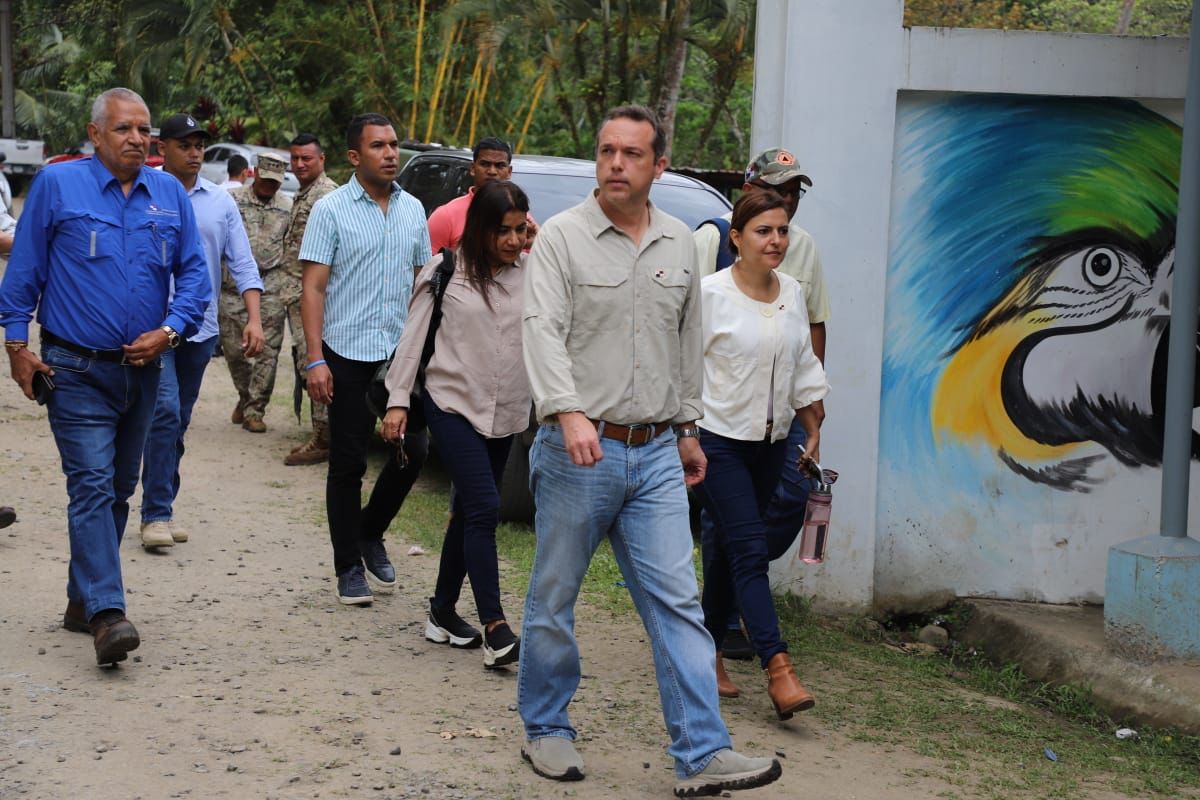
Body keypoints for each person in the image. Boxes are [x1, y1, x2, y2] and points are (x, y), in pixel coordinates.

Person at [518, 104, 782, 796]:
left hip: (659, 454)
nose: (615, 164)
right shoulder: (563, 240)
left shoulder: (677, 244)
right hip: (578, 452)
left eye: (632, 154)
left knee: (678, 604)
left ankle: (701, 752)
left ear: (658, 166)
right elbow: (541, 331)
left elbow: (685, 343)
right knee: (554, 596)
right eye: (607, 151)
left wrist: (689, 429)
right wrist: (568, 412)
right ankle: (547, 728)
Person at [0, 87, 209, 665]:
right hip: (72, 367)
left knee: (118, 490)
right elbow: (24, 271)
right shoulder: (57, 185)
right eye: (124, 129)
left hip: (142, 372)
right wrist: (17, 346)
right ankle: (108, 614)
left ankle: (79, 598)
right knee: (90, 485)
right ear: (96, 135)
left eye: (144, 130)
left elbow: (193, 275)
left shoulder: (168, 194)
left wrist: (169, 331)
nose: (138, 139)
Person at [381, 180, 530, 669]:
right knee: (485, 506)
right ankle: (496, 627)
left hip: (507, 412)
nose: (512, 240)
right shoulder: (447, 271)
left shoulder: (535, 274)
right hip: (452, 406)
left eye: (519, 229)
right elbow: (413, 338)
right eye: (501, 231)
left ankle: (442, 611)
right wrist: (398, 400)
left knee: (469, 511)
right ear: (481, 229)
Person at [693, 147, 832, 660]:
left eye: (794, 193)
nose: (786, 206)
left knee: (760, 524)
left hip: (777, 426)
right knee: (741, 540)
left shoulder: (796, 277)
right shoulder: (709, 257)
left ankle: (706, 642)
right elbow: (683, 349)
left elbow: (808, 337)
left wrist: (812, 414)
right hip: (719, 428)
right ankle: (773, 659)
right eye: (777, 189)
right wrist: (686, 430)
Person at [300, 113, 431, 605]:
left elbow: (423, 283)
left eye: (394, 144)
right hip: (345, 350)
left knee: (412, 452)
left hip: (399, 355)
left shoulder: (413, 210)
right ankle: (348, 567)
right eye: (379, 146)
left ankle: (370, 531)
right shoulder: (330, 210)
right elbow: (312, 287)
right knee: (348, 463)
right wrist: (315, 360)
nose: (391, 153)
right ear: (355, 156)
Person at [138, 113, 264, 550]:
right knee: (165, 412)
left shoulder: (219, 201)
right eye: (185, 145)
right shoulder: (142, 190)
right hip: (152, 326)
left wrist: (253, 318)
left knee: (177, 422)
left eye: (199, 146)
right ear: (163, 148)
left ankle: (161, 505)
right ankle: (155, 513)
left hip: (199, 327)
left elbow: (242, 262)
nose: (194, 153)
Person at [221, 154, 293, 432]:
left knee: (267, 352)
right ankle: (244, 396)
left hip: (271, 286)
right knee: (234, 351)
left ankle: (255, 409)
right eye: (265, 180)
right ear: (254, 174)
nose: (269, 186)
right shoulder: (232, 200)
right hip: (232, 287)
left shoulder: (288, 207)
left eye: (275, 183)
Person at [281, 133, 338, 466]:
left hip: (316, 297)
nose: (300, 165)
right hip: (296, 294)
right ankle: (323, 432)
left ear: (322, 159)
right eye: (295, 159)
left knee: (315, 363)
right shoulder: (305, 194)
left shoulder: (326, 197)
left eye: (307, 159)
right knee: (307, 363)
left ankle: (324, 437)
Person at [426, 136, 537, 252]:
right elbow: (430, 267)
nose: (492, 171)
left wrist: (537, 241)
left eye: (500, 166)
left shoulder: (522, 220)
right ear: (473, 168)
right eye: (485, 164)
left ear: (509, 172)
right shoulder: (446, 216)